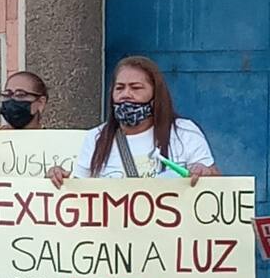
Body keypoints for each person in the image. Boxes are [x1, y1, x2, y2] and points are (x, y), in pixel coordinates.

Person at [48, 56, 220, 188]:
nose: (126, 94)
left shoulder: (184, 132)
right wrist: (61, 179)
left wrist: (206, 173)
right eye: (120, 88)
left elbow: (217, 187)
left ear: (155, 94)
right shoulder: (96, 138)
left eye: (136, 88)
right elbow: (81, 192)